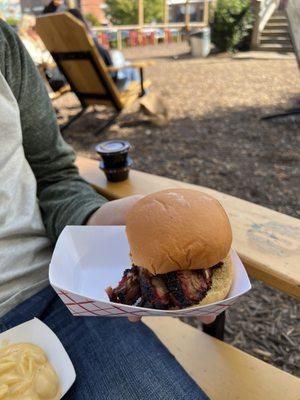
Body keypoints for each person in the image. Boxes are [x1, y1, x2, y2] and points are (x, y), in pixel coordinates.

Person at [0, 20, 214, 399]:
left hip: (51, 295)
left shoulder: (3, 44)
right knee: (126, 70)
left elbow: (53, 174)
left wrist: (93, 217)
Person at [43, 1, 140, 91]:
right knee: (128, 64)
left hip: (85, 88)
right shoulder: (91, 44)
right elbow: (109, 64)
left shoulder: (64, 48)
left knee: (120, 59)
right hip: (107, 87)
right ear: (83, 22)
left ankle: (141, 92)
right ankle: (142, 92)